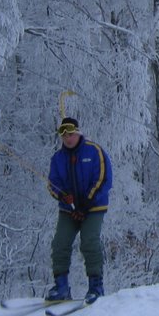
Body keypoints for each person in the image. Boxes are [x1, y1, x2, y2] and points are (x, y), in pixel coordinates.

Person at [46, 116, 113, 304]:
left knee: (89, 241)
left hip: (94, 207)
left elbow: (103, 179)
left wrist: (86, 202)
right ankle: (61, 286)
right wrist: (62, 196)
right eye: (64, 135)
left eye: (71, 134)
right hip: (69, 210)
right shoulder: (57, 159)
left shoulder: (94, 151)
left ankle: (96, 286)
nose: (68, 138)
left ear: (78, 133)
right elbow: (53, 184)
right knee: (60, 243)